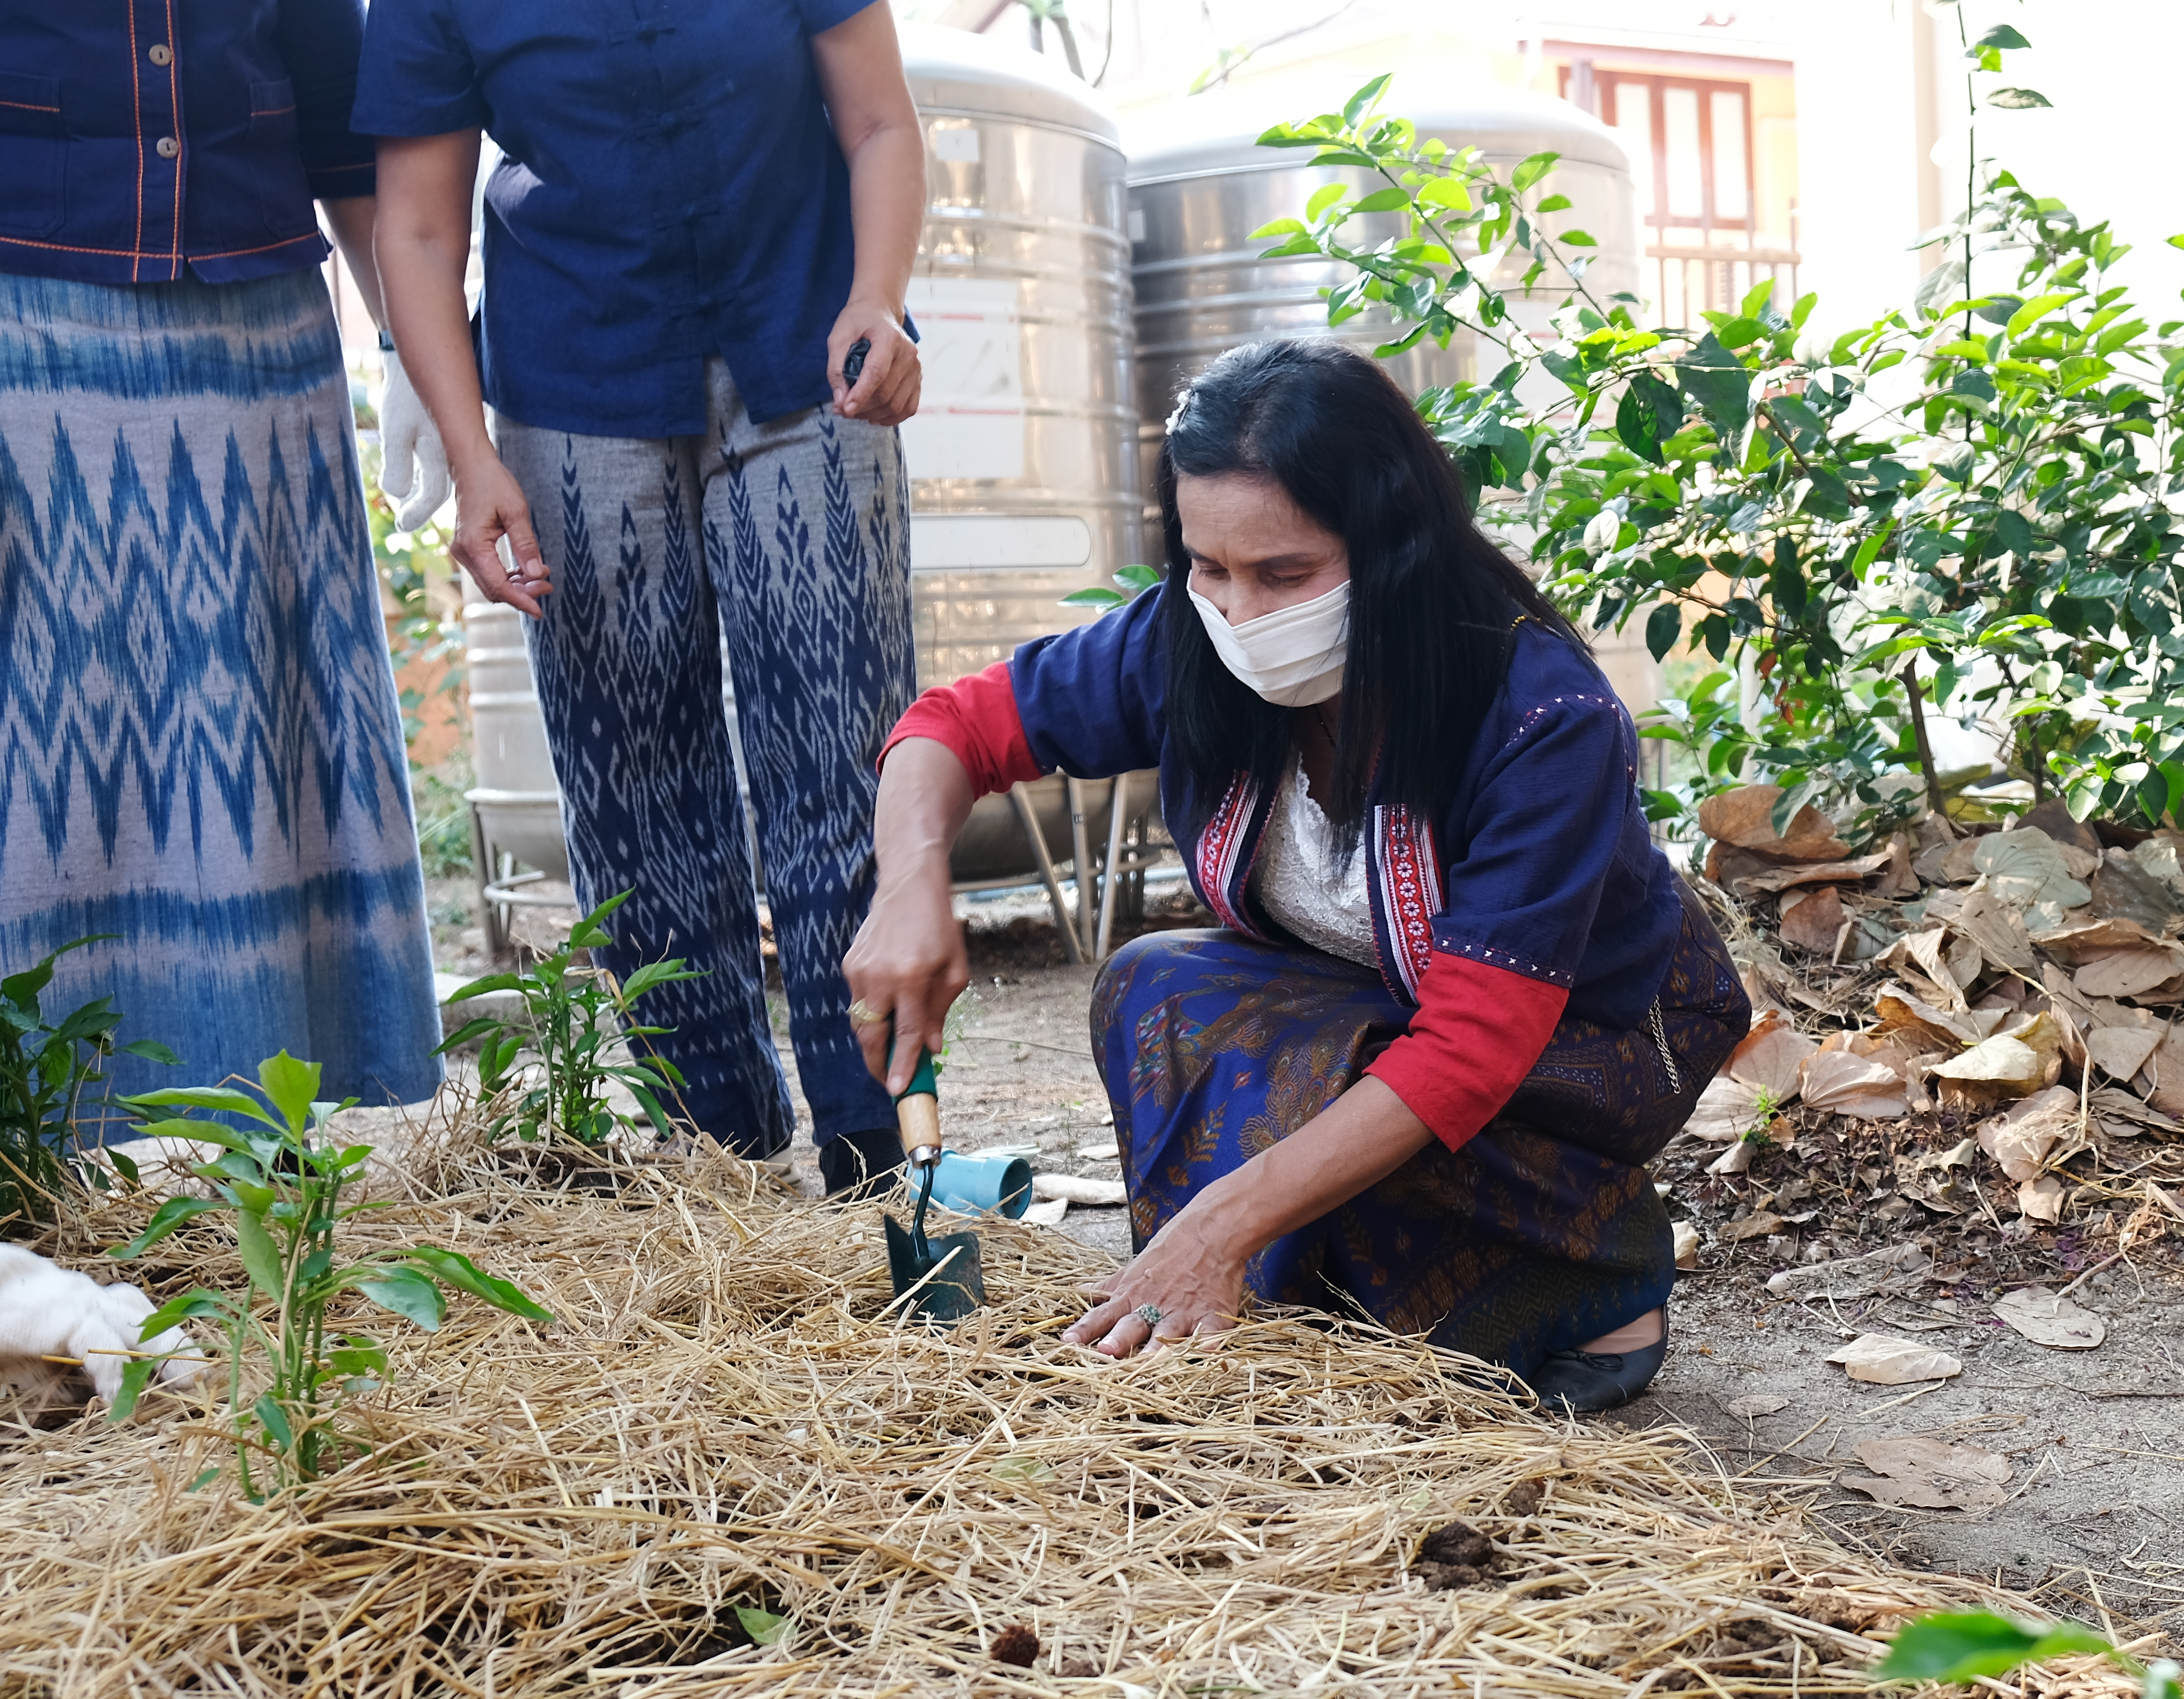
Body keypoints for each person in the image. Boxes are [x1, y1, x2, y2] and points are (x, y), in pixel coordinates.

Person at [844, 340, 1748, 1413]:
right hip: (1394, 1008)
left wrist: (1221, 1219)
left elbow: (1464, 1050)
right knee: (1162, 988)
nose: (1242, 612)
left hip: (1594, 1040)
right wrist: (910, 884)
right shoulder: (1189, 640)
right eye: (1211, 566)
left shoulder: (1541, 716)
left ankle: (1599, 1274)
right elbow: (955, 727)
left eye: (1287, 574)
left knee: (1343, 1114)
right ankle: (1259, 1292)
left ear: (1394, 546)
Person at [356, 0, 928, 1181]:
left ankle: (882, 1155)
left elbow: (877, 119)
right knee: (633, 780)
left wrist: (879, 292)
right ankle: (720, 1154)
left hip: (809, 347)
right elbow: (415, 232)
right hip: (577, 376)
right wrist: (473, 459)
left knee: (842, 752)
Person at [0, 0, 442, 1107]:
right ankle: (44, 1139)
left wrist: (411, 349)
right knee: (45, 743)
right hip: (29, 348)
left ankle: (264, 1119)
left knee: (253, 731)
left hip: (260, 348)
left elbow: (343, 135)